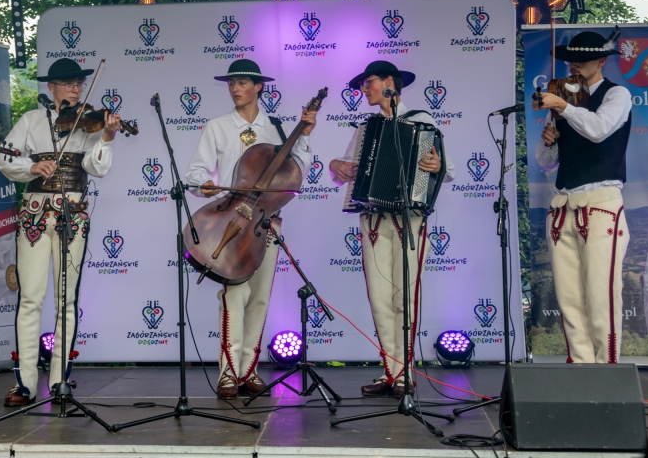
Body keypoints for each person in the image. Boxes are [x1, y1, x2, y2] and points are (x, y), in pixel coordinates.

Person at [185, 59, 316, 398]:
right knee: (234, 295)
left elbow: (297, 171)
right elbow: (196, 172)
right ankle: (228, 372)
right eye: (231, 83)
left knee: (258, 298)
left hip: (264, 223)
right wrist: (205, 185)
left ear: (259, 87)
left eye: (242, 82)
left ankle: (249, 371)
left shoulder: (275, 128)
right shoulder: (217, 126)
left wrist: (303, 136)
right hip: (229, 221)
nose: (235, 88)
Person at [0, 58, 121, 407]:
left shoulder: (89, 123)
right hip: (34, 215)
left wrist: (106, 136)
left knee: (67, 300)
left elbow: (96, 167)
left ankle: (59, 379)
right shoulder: (31, 120)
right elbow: (3, 157)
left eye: (79, 84)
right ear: (50, 87)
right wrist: (31, 165)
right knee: (30, 298)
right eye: (68, 83)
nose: (76, 90)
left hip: (72, 215)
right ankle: (24, 383)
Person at [329, 60, 455, 396]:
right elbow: (344, 172)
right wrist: (335, 165)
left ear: (388, 83)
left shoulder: (422, 122)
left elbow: (448, 170)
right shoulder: (365, 129)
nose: (363, 89)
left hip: (409, 220)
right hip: (373, 219)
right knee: (380, 298)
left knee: (405, 297)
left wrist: (437, 165)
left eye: (367, 82)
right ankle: (392, 372)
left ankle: (405, 374)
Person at [533, 28, 632, 364]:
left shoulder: (616, 94)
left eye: (583, 60)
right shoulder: (566, 101)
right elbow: (547, 162)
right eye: (571, 60)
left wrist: (564, 107)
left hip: (600, 202)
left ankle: (607, 370)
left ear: (601, 61)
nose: (574, 65)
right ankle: (580, 367)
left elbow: (599, 129)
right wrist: (549, 141)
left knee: (601, 293)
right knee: (569, 295)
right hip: (562, 204)